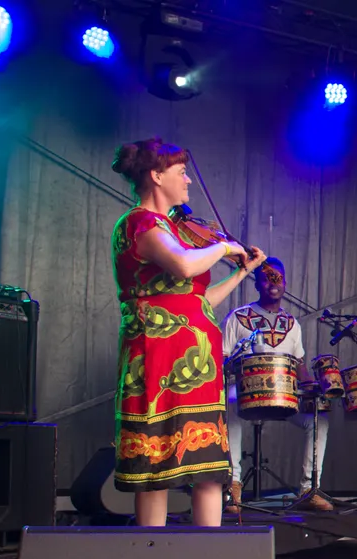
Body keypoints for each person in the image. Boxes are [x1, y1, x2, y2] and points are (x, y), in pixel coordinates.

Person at [110, 136, 266, 526]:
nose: (189, 180)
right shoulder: (140, 223)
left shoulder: (173, 230)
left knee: (208, 467)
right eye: (181, 172)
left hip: (198, 362)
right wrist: (225, 247)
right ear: (156, 175)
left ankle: (207, 556)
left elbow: (197, 300)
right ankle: (152, 552)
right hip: (159, 359)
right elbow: (183, 265)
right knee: (155, 469)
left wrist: (241, 272)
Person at [223, 258, 333, 513]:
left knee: (319, 419)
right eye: (266, 278)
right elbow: (222, 358)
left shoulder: (292, 324)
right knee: (229, 402)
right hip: (245, 395)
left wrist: (315, 386)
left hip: (284, 397)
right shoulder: (238, 318)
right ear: (256, 284)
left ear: (285, 284)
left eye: (278, 278)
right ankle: (233, 486)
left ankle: (309, 490)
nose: (273, 283)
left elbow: (299, 364)